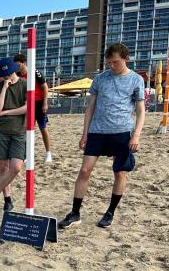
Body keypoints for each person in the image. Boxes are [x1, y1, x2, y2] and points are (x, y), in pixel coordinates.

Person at [57, 43, 145, 229]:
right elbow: (90, 107)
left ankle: (110, 212)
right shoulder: (100, 79)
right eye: (109, 63)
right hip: (97, 131)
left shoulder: (136, 79)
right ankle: (75, 213)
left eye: (116, 62)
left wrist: (136, 135)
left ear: (126, 59)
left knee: (120, 173)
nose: (112, 66)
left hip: (122, 132)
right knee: (84, 171)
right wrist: (85, 133)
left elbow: (140, 110)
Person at [0, 58, 27, 212]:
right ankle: (7, 199)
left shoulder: (24, 85)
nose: (6, 76)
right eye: (4, 74)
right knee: (3, 168)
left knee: (15, 168)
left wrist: (7, 112)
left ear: (14, 70)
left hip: (18, 132)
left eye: (8, 73)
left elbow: (27, 108)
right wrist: (4, 89)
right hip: (1, 131)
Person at [14, 53, 53, 163]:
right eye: (15, 65)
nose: (17, 67)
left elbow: (45, 87)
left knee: (43, 128)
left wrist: (45, 103)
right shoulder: (17, 75)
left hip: (39, 103)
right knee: (26, 129)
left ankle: (48, 153)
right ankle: (26, 154)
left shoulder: (34, 72)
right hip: (26, 105)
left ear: (24, 63)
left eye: (18, 65)